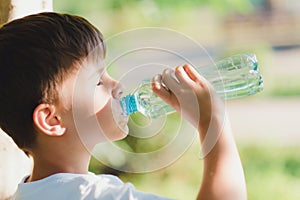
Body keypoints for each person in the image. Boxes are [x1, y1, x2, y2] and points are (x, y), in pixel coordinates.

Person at [0, 12, 247, 200]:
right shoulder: (93, 195)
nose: (117, 85)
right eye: (98, 81)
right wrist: (213, 122)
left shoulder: (25, 194)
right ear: (52, 120)